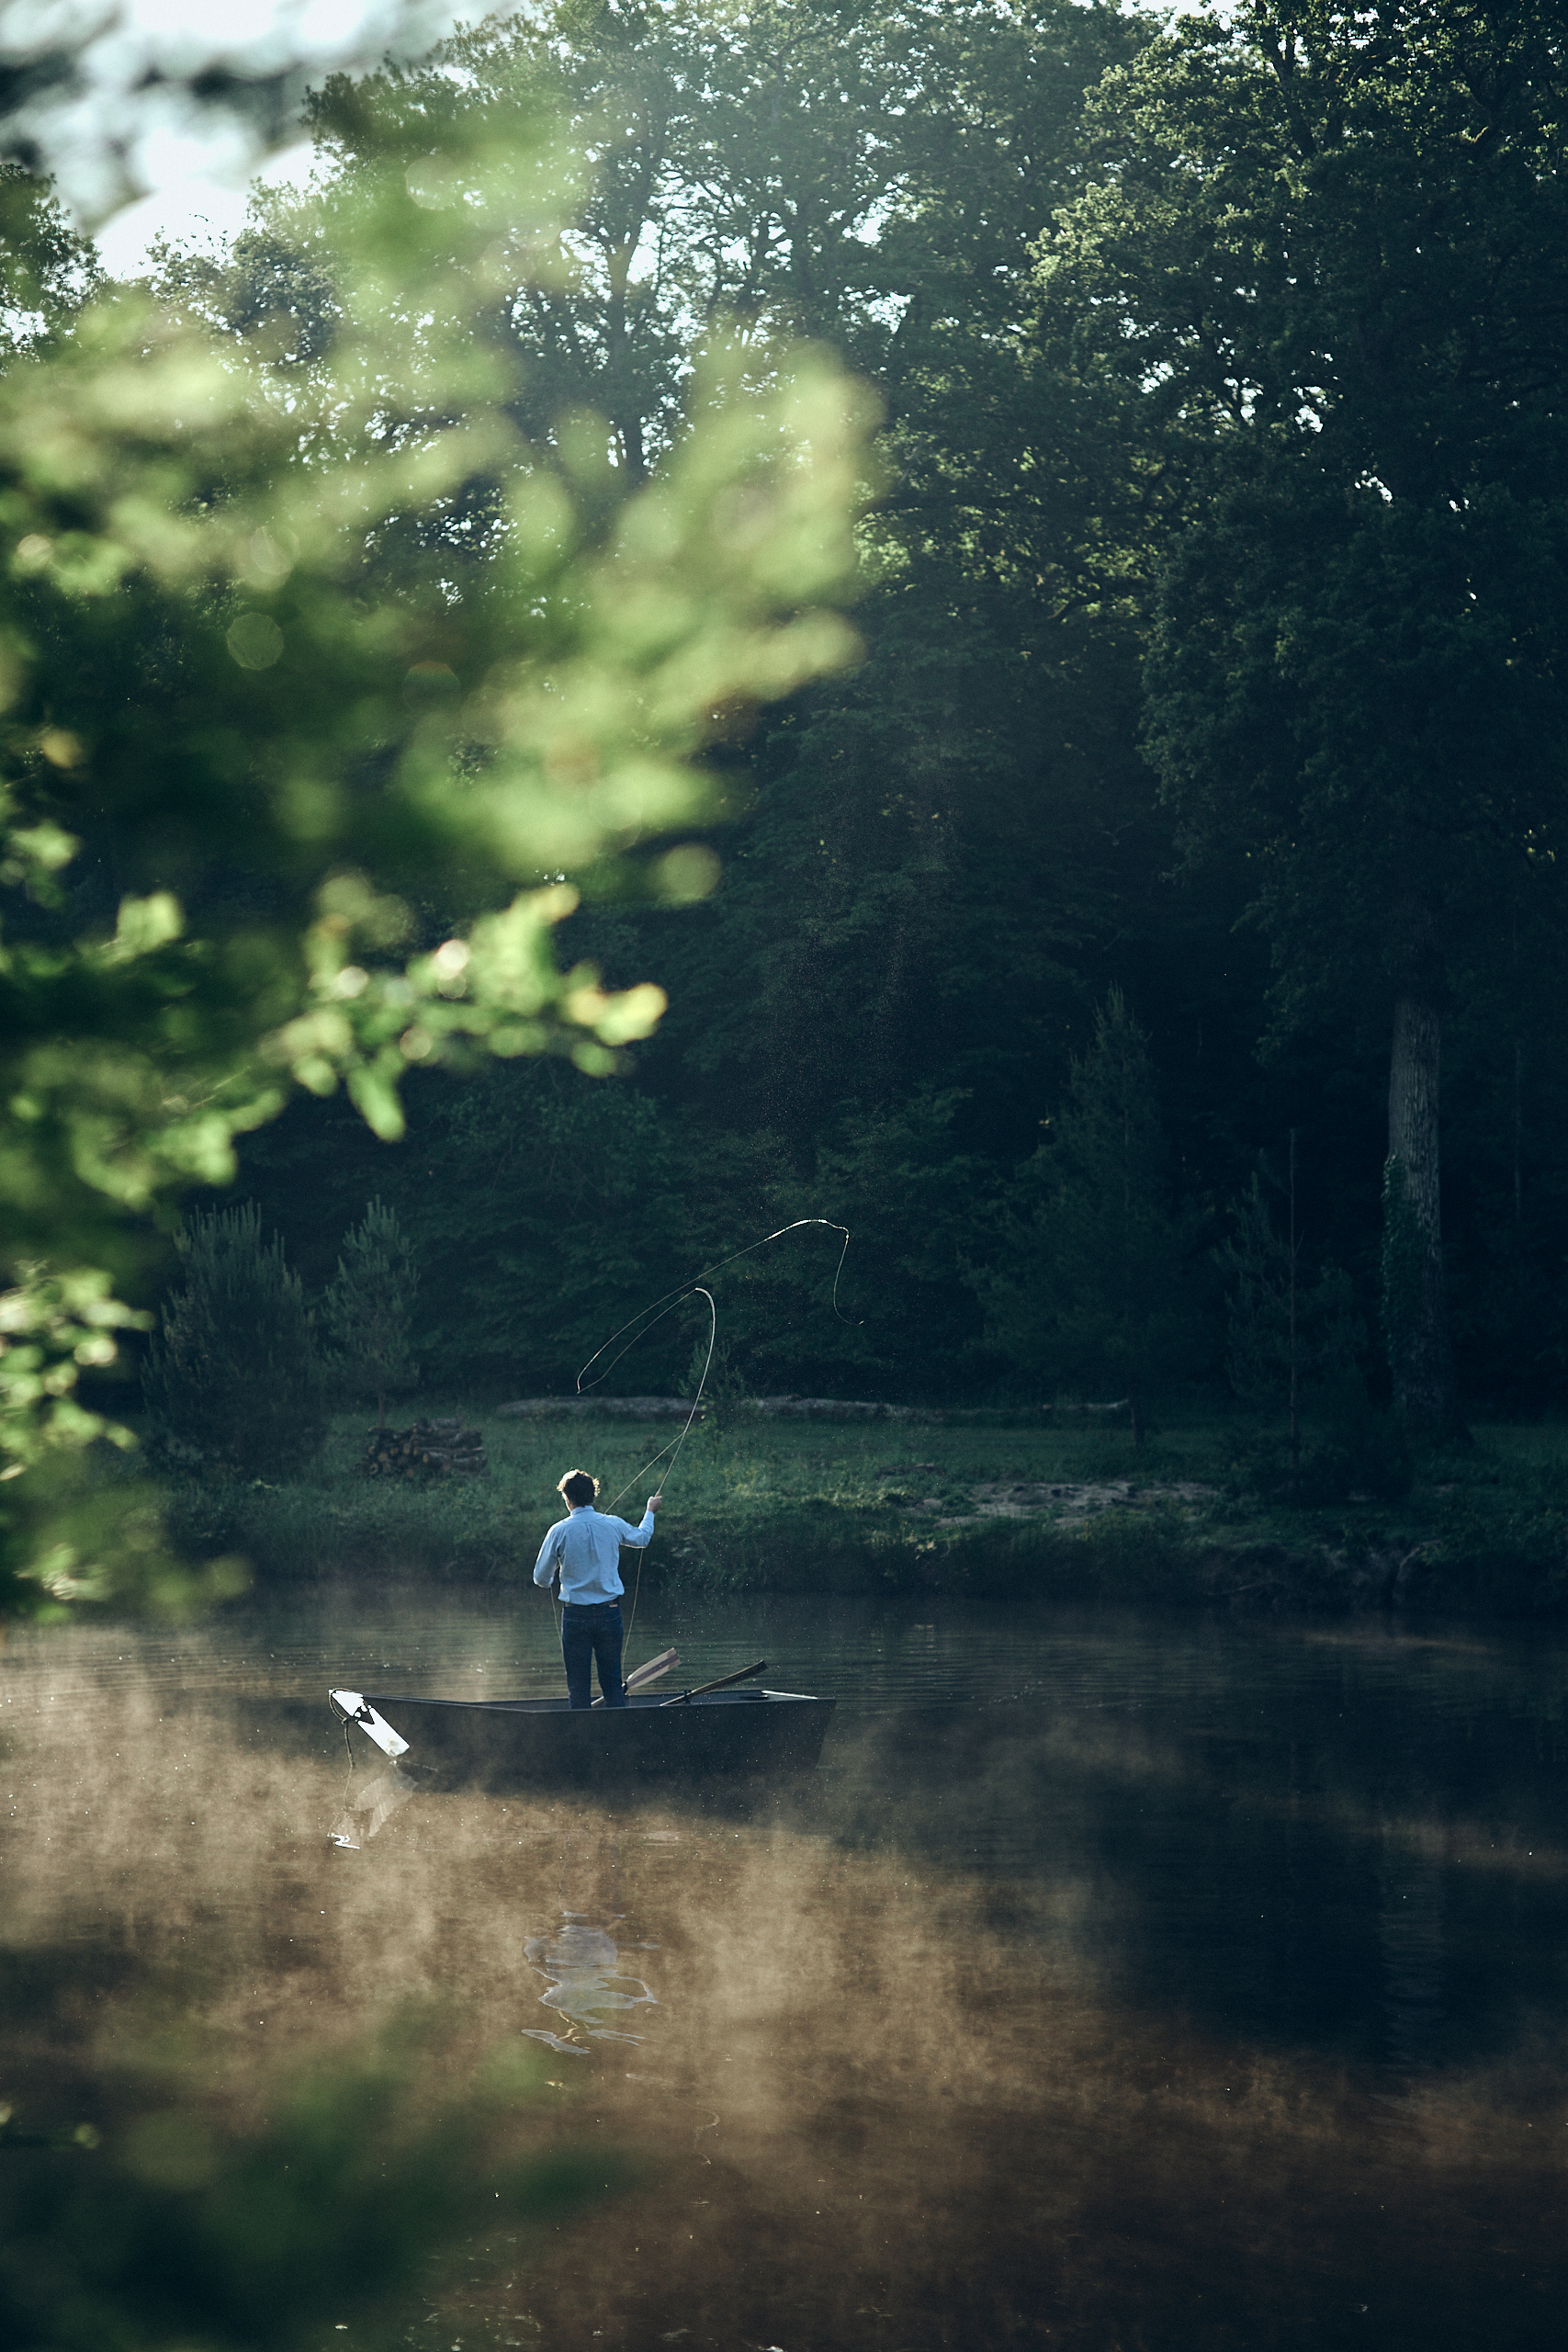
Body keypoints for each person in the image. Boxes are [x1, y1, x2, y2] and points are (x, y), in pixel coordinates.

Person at [534, 1468, 662, 1710]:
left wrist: (557, 1575)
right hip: (609, 1614)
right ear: (593, 1496)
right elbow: (642, 1538)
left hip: (575, 1617)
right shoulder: (612, 1524)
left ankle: (582, 1743)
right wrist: (650, 1511)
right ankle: (618, 1739)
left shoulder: (558, 1530)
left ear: (567, 1499)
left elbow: (541, 1579)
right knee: (613, 1685)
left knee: (578, 1687)